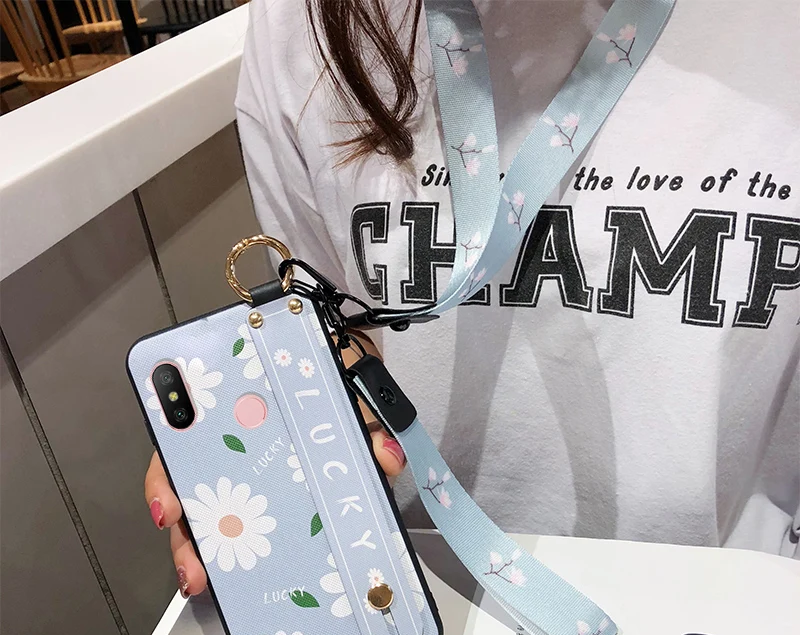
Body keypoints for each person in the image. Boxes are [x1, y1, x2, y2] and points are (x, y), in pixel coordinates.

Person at [145, 0, 799, 598]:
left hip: (719, 621)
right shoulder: (300, 21)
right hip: (406, 598)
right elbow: (338, 330)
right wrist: (273, 440)